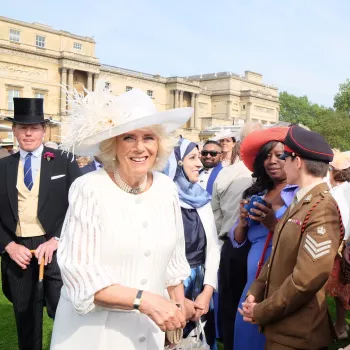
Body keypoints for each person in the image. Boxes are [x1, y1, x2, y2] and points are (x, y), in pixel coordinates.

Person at [50, 86, 194, 350]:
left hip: (149, 332)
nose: (140, 148)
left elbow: (174, 266)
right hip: (93, 334)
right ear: (112, 145)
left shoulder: (166, 188)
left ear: (159, 143)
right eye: (129, 137)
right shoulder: (89, 189)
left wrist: (177, 309)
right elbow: (81, 277)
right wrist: (147, 301)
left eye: (148, 137)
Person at [240, 125, 343, 350]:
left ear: (297, 162)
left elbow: (306, 280)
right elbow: (277, 255)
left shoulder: (321, 208)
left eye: (284, 156)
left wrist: (262, 310)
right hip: (282, 328)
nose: (280, 163)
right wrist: (255, 292)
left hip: (298, 334)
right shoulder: (301, 201)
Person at [0, 98, 81, 350]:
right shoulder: (2, 166)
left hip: (55, 247)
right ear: (14, 130)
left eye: (34, 127)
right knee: (26, 316)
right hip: (18, 250)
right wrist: (9, 246)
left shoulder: (63, 160)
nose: (28, 133)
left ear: (43, 130)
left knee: (63, 311)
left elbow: (78, 205)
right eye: (22, 127)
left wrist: (57, 239)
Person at [231, 127, 298, 350]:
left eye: (279, 155)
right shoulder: (256, 195)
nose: (272, 161)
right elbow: (239, 240)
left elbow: (299, 241)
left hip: (282, 281)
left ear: (292, 159)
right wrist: (241, 222)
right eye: (267, 156)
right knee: (247, 338)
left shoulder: (300, 196)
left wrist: (272, 223)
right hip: (252, 284)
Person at [164, 137, 221, 349]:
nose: (200, 163)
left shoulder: (201, 199)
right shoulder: (163, 201)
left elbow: (213, 247)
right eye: (193, 157)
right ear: (176, 162)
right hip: (171, 287)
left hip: (201, 283)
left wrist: (207, 292)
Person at [211, 122, 262, 349]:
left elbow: (216, 215)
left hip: (241, 247)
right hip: (243, 246)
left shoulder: (227, 174)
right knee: (240, 303)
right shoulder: (234, 174)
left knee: (236, 304)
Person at [325, 150, 350, 339]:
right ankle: (340, 325)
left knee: (336, 290)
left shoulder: (335, 193)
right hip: (345, 246)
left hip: (338, 248)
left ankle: (339, 327)